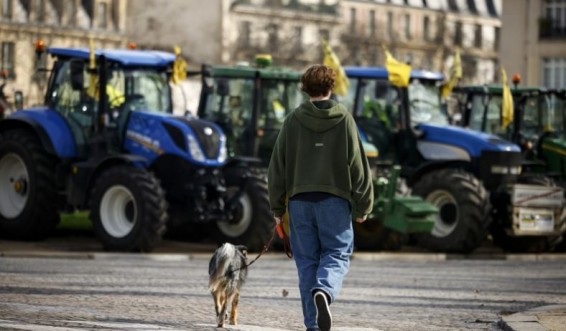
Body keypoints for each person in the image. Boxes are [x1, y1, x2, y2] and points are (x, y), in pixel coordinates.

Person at [268, 64, 374, 331]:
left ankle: (313, 326)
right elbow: (358, 166)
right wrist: (363, 205)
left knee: (306, 264)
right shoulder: (345, 119)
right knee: (337, 253)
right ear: (331, 87)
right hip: (335, 201)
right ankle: (324, 291)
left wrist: (277, 207)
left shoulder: (292, 120)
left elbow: (277, 166)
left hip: (299, 201)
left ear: (305, 89)